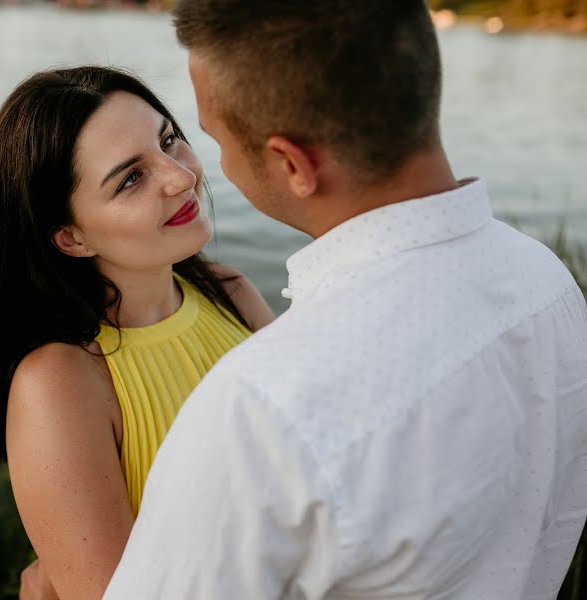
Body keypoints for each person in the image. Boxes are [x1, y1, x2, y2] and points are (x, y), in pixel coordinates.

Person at [104, 1, 587, 599]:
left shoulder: (264, 407)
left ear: (291, 164)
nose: (211, 167)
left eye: (213, 138)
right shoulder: (548, 284)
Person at [0, 66, 274, 600]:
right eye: (131, 178)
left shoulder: (231, 294)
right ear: (70, 238)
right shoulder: (61, 382)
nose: (182, 177)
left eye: (169, 140)